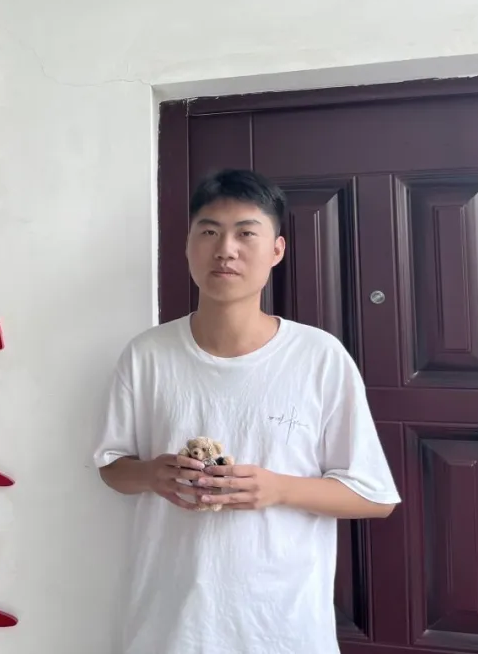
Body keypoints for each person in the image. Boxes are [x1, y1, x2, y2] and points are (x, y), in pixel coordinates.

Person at [93, 168, 400, 654]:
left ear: (276, 249)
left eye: (245, 233)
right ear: (188, 245)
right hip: (170, 627)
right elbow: (112, 469)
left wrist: (276, 488)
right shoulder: (147, 354)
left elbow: (374, 497)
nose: (226, 249)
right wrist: (153, 474)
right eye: (209, 232)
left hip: (282, 628)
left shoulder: (319, 357)